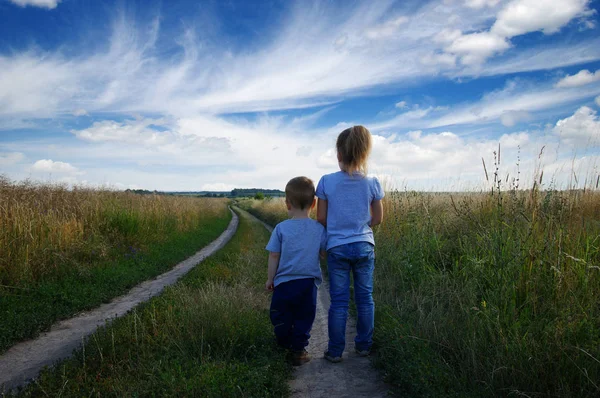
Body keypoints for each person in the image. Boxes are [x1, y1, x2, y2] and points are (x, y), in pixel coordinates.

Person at [316, 125, 384, 363]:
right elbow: (377, 218)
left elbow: (321, 218)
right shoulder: (372, 182)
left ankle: (335, 351)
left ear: (339, 155)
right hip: (364, 245)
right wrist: (360, 227)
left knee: (339, 302)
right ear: (364, 154)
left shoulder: (326, 181)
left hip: (337, 247)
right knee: (365, 298)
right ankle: (364, 346)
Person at [265, 176, 327, 366]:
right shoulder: (319, 229)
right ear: (314, 203)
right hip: (308, 284)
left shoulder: (281, 228)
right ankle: (298, 350)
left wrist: (270, 279)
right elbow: (324, 254)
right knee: (304, 317)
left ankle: (284, 340)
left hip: (284, 283)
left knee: (280, 314)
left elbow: (274, 255)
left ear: (287, 203)